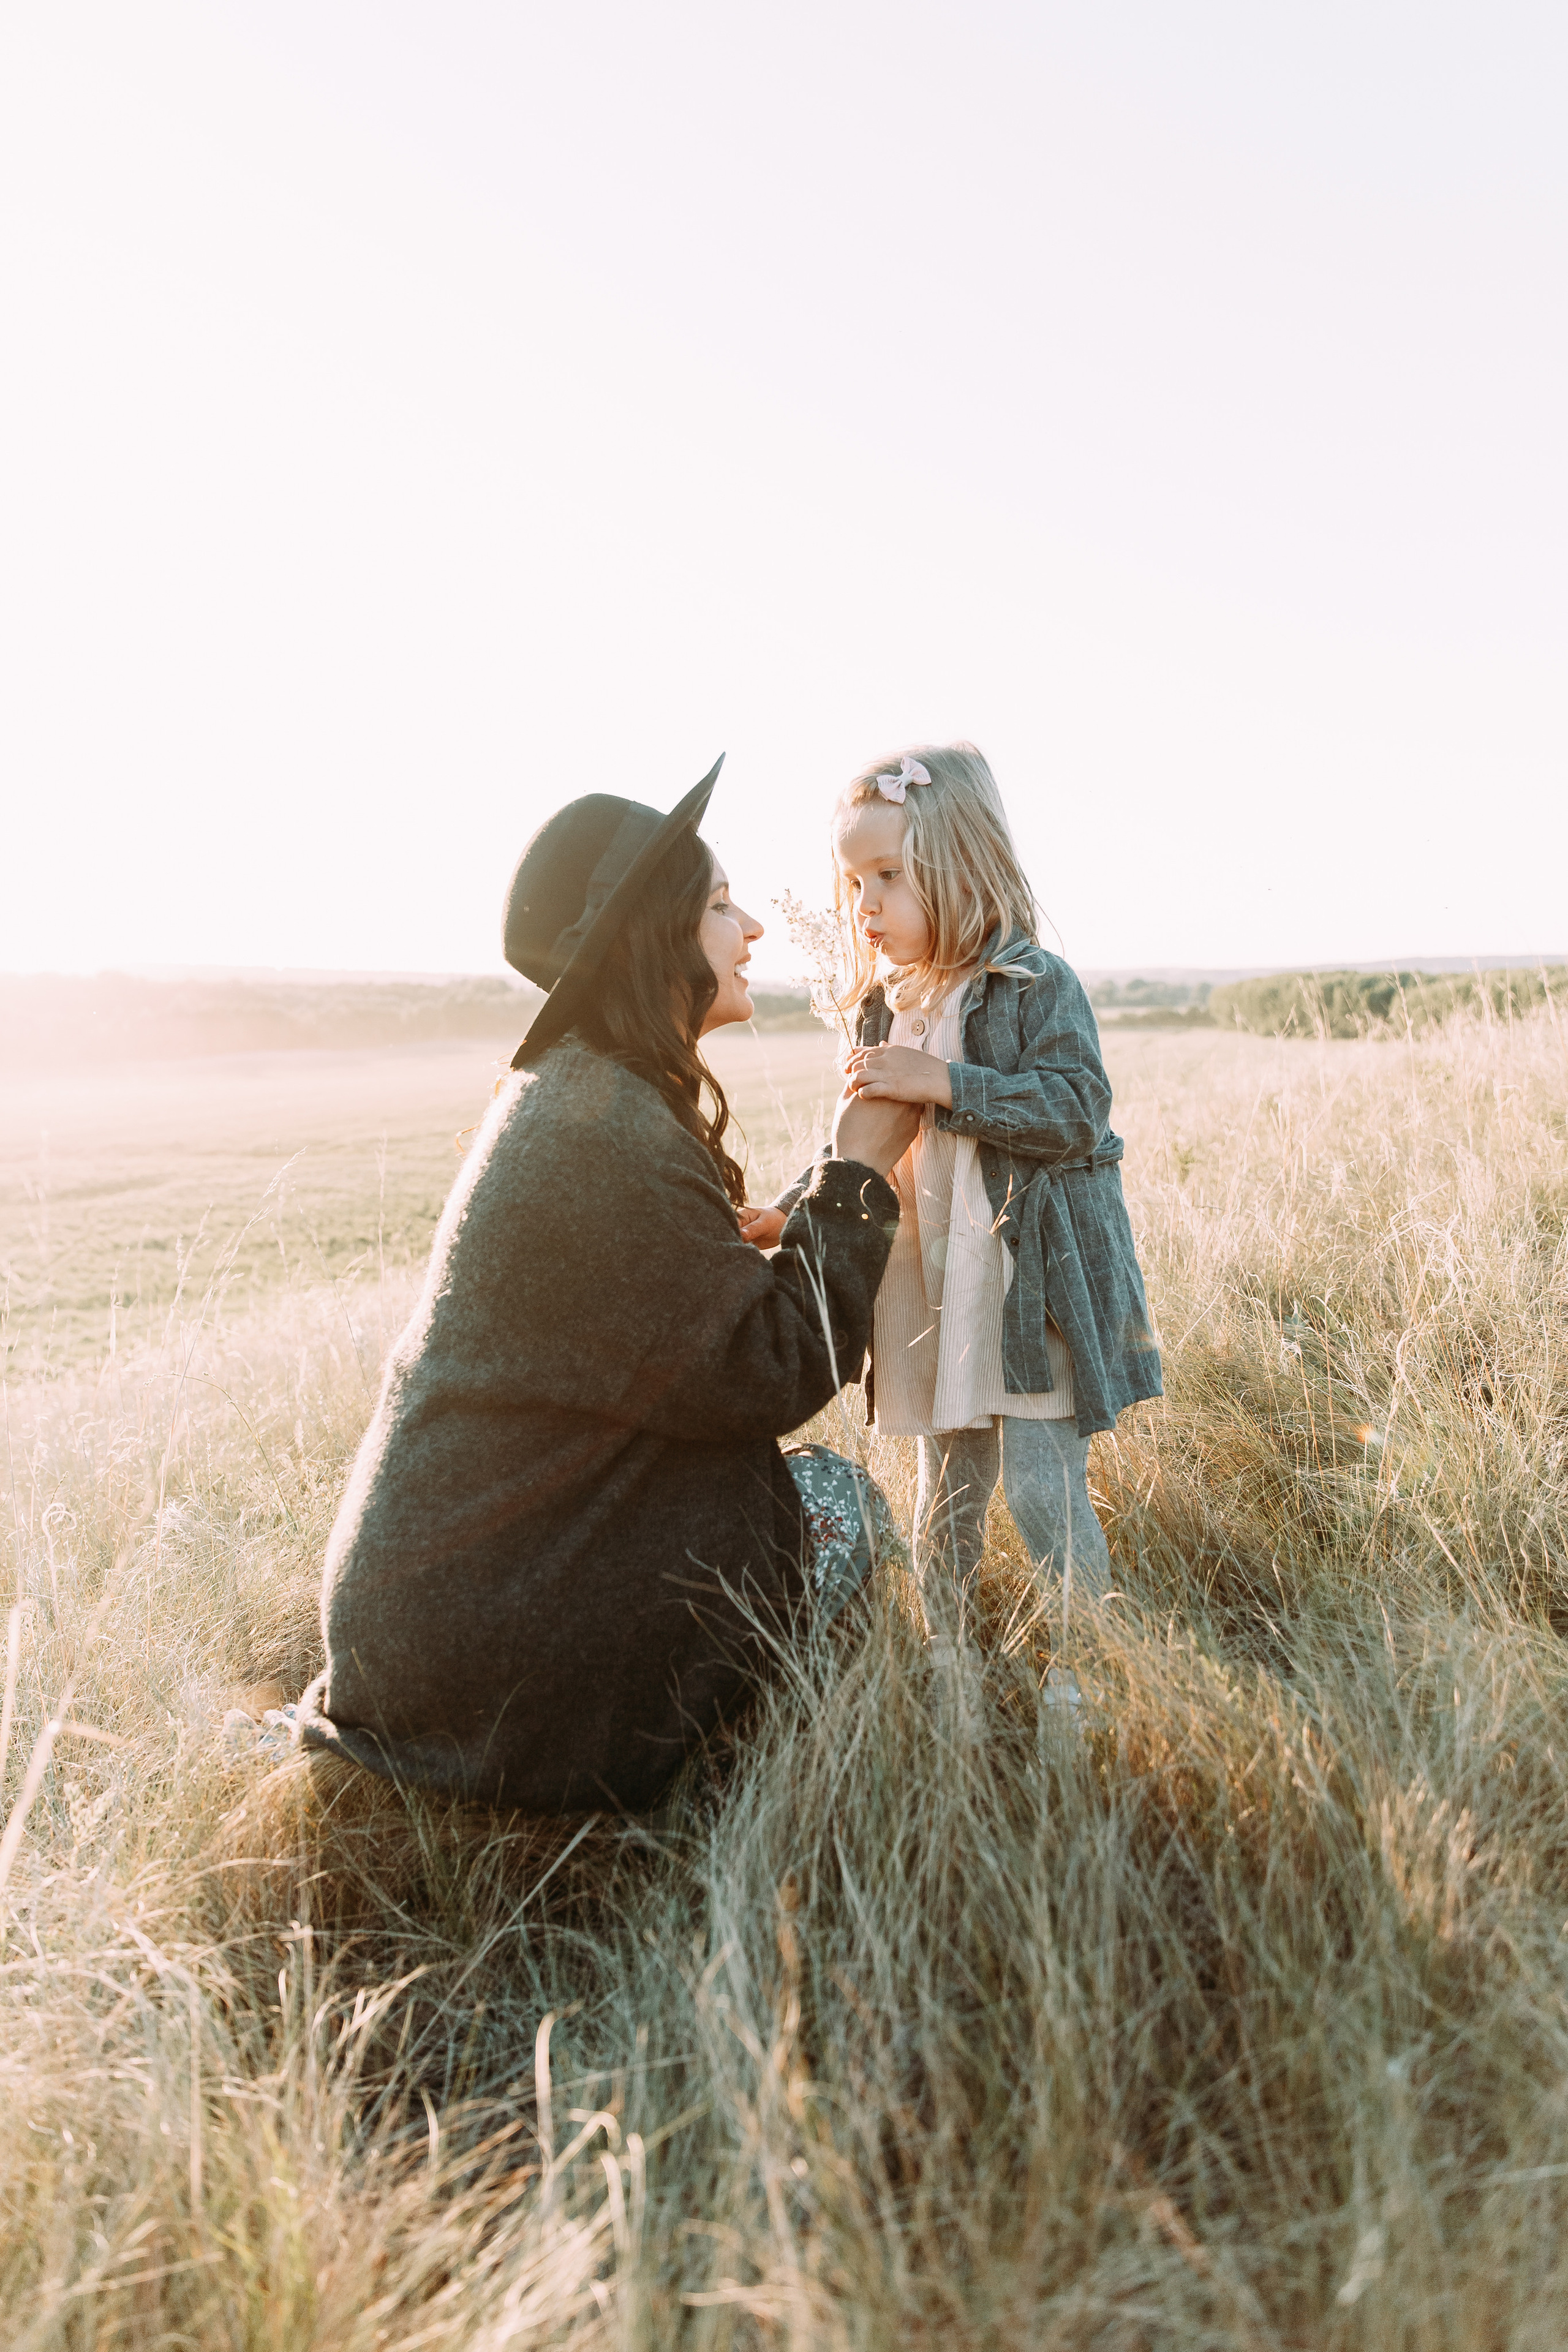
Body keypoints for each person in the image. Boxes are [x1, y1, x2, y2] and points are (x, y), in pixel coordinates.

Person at [296, 759, 919, 1813]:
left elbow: (690, 1339)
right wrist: (855, 1175)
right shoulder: (605, 1127)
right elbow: (768, 1369)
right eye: (721, 905)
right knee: (837, 1512)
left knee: (788, 1499)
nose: (754, 927)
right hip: (488, 1653)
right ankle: (737, 1797)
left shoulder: (581, 1090)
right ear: (656, 935)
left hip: (438, 1623)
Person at [742, 742, 1161, 1638]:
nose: (867, 906)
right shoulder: (882, 1004)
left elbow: (1078, 1109)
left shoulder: (1032, 984)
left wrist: (947, 1086)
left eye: (890, 875)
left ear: (962, 865)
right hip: (933, 1290)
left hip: (1026, 1292)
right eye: (854, 883)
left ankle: (1088, 1674)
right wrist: (793, 1206)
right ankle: (947, 1669)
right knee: (947, 1492)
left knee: (1045, 1497)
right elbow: (853, 1137)